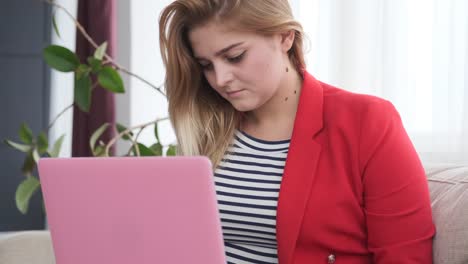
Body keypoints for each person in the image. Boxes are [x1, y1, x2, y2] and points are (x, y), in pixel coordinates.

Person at [158, 0, 435, 263]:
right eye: (206, 65)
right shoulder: (207, 126)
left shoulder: (367, 122)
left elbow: (405, 257)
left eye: (235, 56)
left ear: (285, 37)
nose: (220, 79)